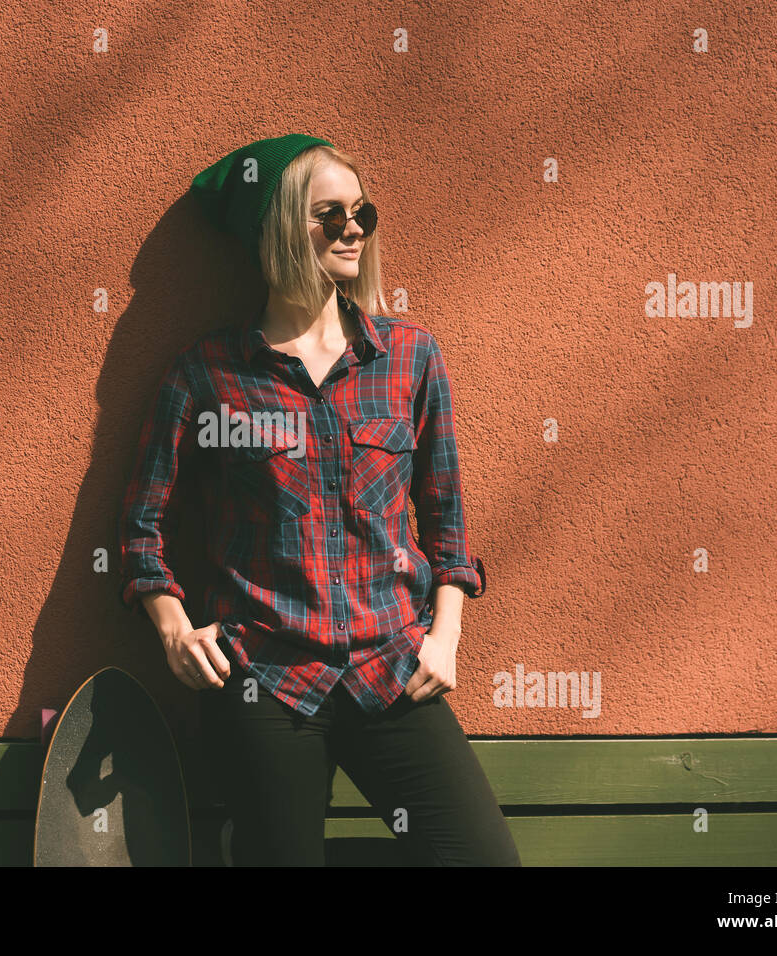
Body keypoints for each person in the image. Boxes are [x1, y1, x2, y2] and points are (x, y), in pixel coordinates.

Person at [117, 134, 520, 866]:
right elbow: (143, 530)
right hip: (264, 680)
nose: (353, 228)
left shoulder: (409, 357)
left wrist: (447, 635)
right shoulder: (208, 374)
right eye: (328, 213)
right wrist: (176, 630)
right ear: (276, 229)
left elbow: (448, 523)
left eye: (361, 211)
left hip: (394, 666)